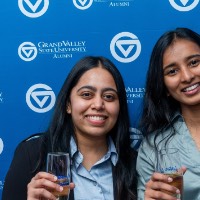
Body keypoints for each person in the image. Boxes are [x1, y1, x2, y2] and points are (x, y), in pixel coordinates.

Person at [2, 56, 137, 200]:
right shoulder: (32, 155)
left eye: (109, 97)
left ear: (119, 106)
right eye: (86, 94)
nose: (98, 104)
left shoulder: (135, 164)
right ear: (68, 105)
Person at [136, 27, 200, 200]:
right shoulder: (153, 148)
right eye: (172, 71)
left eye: (194, 62)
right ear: (164, 87)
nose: (186, 77)